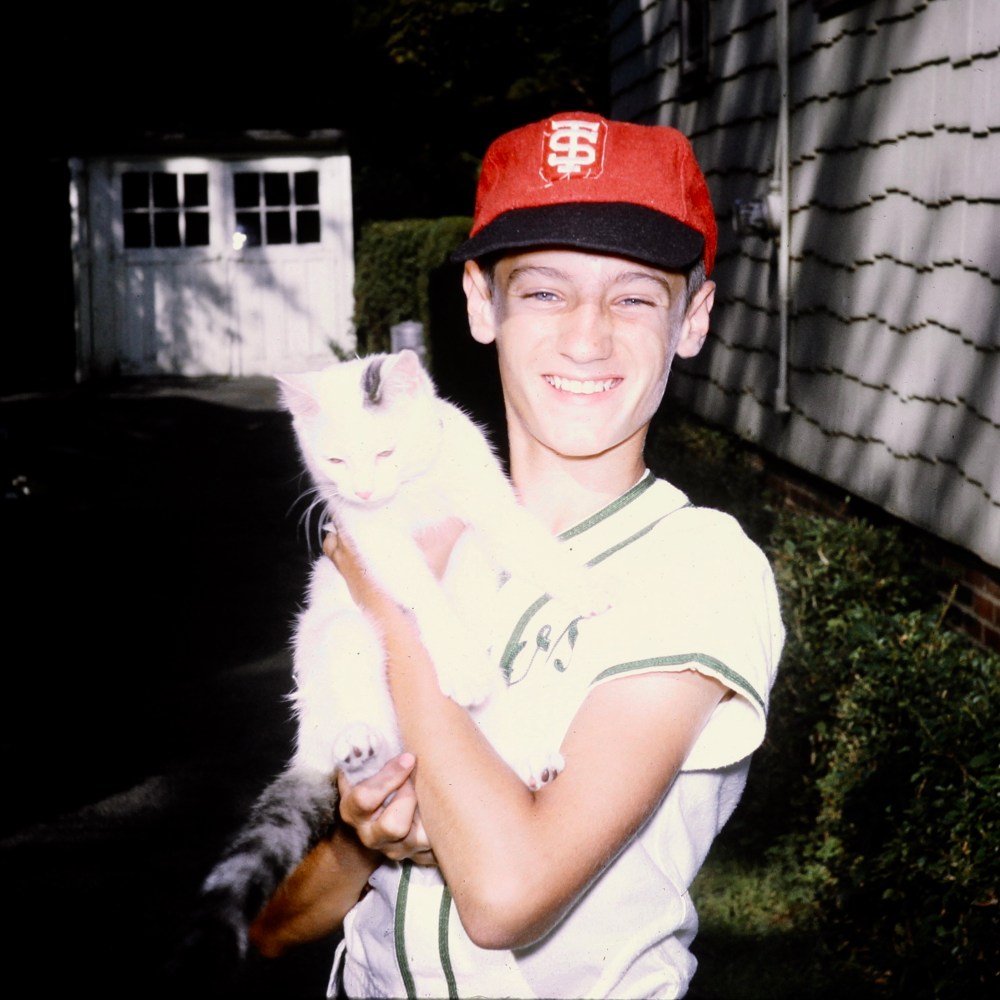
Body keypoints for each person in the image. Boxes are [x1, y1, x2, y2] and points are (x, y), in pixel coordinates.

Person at [249, 111, 784, 999]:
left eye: (636, 295)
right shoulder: (416, 520)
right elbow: (282, 929)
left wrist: (390, 604)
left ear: (694, 319)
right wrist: (359, 830)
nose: (586, 335)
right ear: (478, 303)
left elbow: (504, 894)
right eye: (543, 291)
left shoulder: (698, 569)